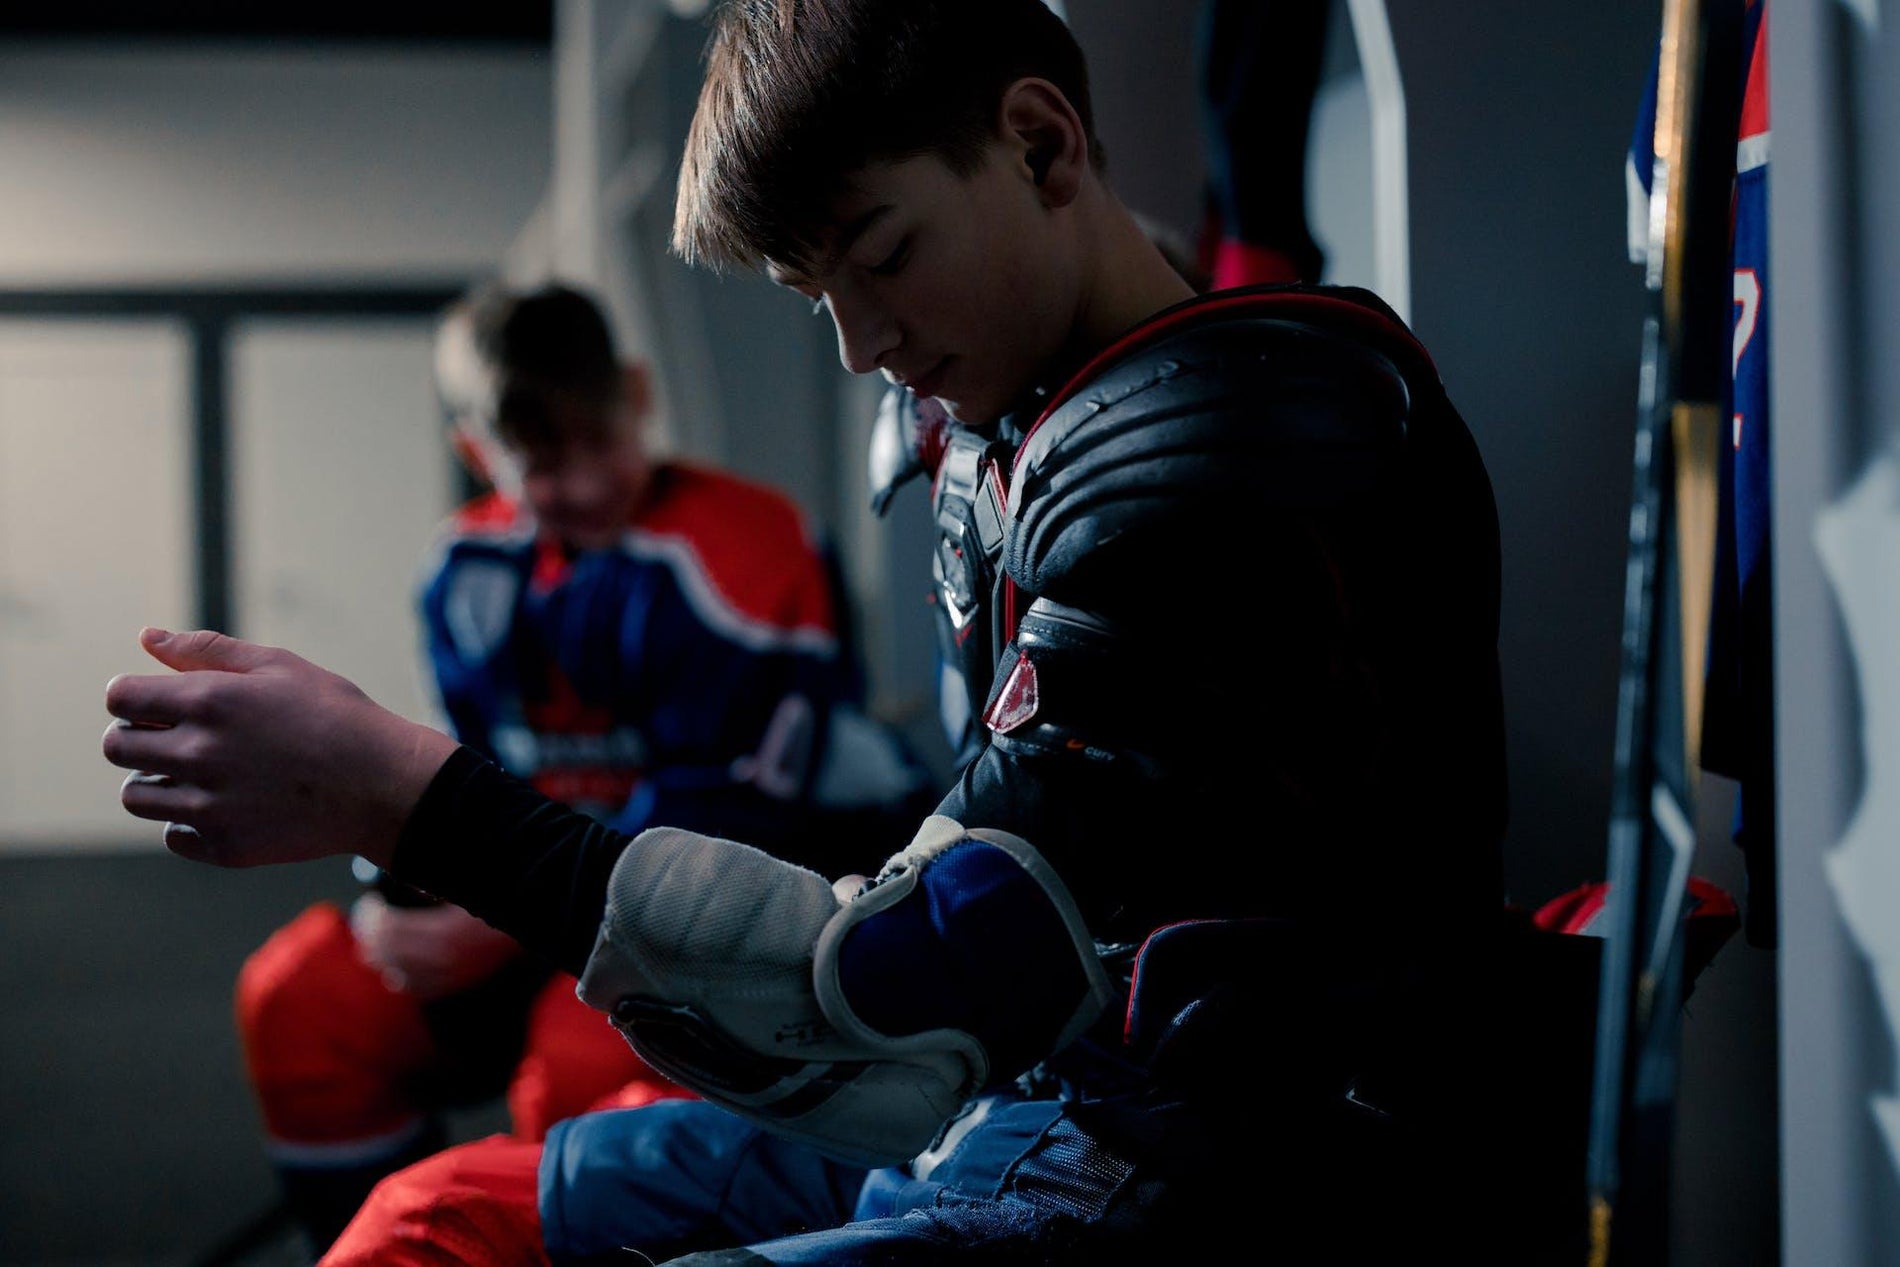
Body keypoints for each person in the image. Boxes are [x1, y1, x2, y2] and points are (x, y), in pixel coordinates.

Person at [105, 2, 1534, 1259]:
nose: (860, 343)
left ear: (1042, 148)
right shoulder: (1014, 415)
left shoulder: (1223, 447)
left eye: (884, 253)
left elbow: (901, 1003)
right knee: (435, 1215)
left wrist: (397, 796)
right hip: (1025, 1085)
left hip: (1207, 1161)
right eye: (815, 295)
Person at [231, 280, 936, 1257]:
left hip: (718, 910)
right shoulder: (460, 571)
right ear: (480, 455)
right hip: (532, 903)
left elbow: (719, 837)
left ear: (637, 396)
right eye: (546, 464)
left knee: (577, 1075)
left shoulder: (750, 550)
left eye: (601, 443)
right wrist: (405, 895)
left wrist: (498, 920)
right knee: (305, 998)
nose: (590, 484)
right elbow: (458, 771)